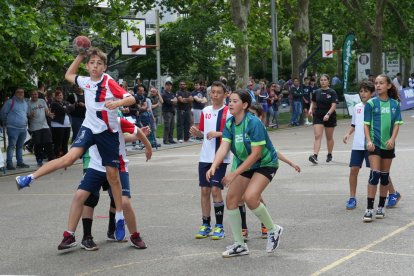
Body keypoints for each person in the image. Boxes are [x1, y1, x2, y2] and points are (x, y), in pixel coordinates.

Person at [16, 48, 136, 242]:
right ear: (88, 66)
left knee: (113, 176)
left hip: (107, 132)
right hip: (89, 128)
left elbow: (132, 98)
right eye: (92, 63)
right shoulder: (86, 81)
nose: (95, 66)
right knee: (68, 158)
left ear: (104, 67)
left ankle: (120, 217)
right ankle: (29, 177)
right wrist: (80, 56)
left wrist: (118, 103)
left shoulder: (109, 82)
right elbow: (69, 74)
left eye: (99, 63)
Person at [206, 90, 300, 258]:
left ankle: (273, 229)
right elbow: (224, 147)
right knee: (232, 199)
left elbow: (256, 154)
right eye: (230, 100)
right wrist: (213, 166)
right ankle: (239, 244)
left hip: (265, 163)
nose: (231, 103)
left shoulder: (253, 123)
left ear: (245, 105)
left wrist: (234, 174)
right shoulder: (229, 124)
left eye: (235, 101)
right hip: (247, 164)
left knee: (250, 197)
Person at [58, 117, 152, 250]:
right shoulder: (90, 123)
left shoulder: (117, 120)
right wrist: (68, 159)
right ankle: (70, 235)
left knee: (123, 202)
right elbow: (79, 143)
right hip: (96, 167)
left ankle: (134, 235)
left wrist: (148, 147)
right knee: (81, 196)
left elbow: (136, 132)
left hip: (118, 166)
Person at [343, 81, 401, 210]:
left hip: (372, 144)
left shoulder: (376, 105)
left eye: (365, 91)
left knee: (378, 172)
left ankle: (393, 193)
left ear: (372, 93)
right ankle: (352, 197)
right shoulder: (357, 107)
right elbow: (355, 124)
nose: (362, 94)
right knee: (353, 170)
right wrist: (348, 134)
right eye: (361, 91)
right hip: (358, 145)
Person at [189, 81, 230, 240]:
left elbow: (230, 134)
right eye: (212, 92)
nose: (214, 95)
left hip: (221, 157)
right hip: (204, 157)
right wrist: (196, 133)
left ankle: (219, 226)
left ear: (225, 94)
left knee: (215, 190)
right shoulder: (205, 110)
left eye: (218, 92)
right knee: (204, 191)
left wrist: (217, 133)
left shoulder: (229, 112)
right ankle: (206, 224)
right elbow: (203, 134)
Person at [363, 74, 403, 222]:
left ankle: (381, 207)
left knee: (385, 177)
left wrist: (392, 139)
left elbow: (397, 123)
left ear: (388, 86)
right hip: (374, 144)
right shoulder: (371, 104)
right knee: (375, 175)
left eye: (381, 83)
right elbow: (366, 125)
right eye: (376, 83)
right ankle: (369, 209)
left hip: (388, 145)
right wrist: (368, 141)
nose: (378, 86)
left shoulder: (395, 104)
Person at [308, 74, 337, 164]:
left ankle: (329, 154)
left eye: (325, 80)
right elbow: (313, 101)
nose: (323, 81)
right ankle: (315, 156)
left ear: (328, 81)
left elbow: (334, 105)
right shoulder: (316, 91)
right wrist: (310, 109)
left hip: (330, 116)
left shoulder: (332, 92)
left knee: (329, 137)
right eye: (321, 80)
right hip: (318, 115)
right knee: (317, 136)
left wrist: (328, 114)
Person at [0, 88, 30, 170]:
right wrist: (6, 123)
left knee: (20, 146)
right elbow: (3, 113)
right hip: (13, 128)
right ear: (15, 93)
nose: (20, 93)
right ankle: (9, 163)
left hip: (23, 128)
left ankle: (19, 162)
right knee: (11, 146)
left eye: (22, 92)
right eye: (18, 92)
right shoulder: (10, 102)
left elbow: (25, 114)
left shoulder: (25, 103)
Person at [27, 90, 53, 166]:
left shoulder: (42, 101)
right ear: (30, 96)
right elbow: (28, 115)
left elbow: (47, 111)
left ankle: (51, 159)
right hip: (35, 127)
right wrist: (30, 115)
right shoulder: (28, 104)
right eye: (32, 94)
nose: (34, 96)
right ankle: (39, 159)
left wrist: (49, 114)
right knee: (38, 144)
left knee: (48, 142)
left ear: (37, 95)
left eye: (35, 94)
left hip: (45, 125)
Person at [50, 89, 71, 159]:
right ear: (55, 97)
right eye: (58, 95)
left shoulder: (65, 102)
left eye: (61, 95)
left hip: (67, 125)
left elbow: (72, 108)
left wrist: (66, 107)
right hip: (58, 125)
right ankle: (57, 156)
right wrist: (66, 108)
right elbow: (63, 110)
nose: (60, 96)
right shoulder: (54, 103)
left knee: (65, 142)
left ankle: (65, 156)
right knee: (58, 142)